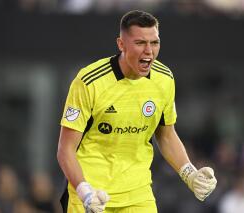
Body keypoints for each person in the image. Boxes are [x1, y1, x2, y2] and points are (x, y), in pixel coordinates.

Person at [57, 10, 217, 213]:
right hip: (93, 193)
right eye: (140, 43)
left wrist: (190, 174)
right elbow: (65, 150)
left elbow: (166, 135)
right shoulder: (89, 82)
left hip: (137, 193)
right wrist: (84, 191)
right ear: (121, 45)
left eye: (155, 42)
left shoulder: (164, 79)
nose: (149, 51)